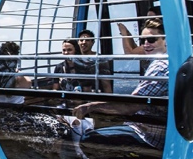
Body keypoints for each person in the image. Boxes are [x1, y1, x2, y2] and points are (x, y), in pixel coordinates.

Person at [72, 18, 168, 150]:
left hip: (148, 132)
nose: (145, 44)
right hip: (143, 124)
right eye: (143, 40)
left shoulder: (161, 67)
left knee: (87, 140)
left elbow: (130, 106)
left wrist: (90, 106)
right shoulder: (160, 63)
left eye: (151, 40)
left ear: (166, 40)